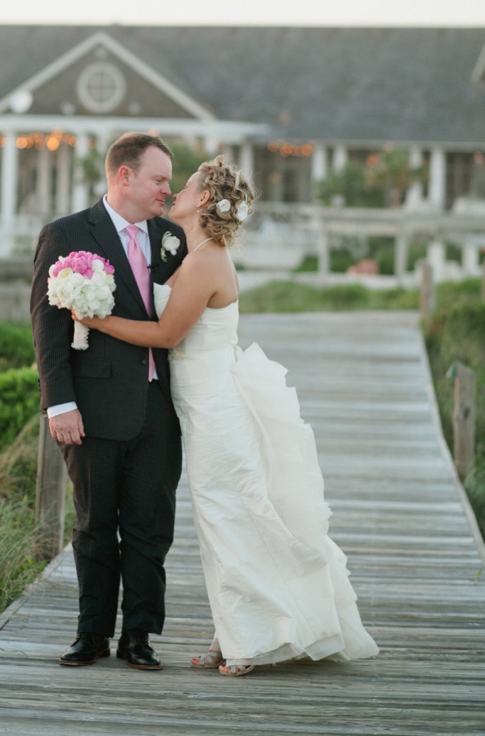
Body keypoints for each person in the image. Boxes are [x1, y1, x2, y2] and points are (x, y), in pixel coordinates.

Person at [76, 156, 379, 676]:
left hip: (215, 406)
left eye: (185, 186)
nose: (174, 192)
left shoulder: (207, 260)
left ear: (203, 201)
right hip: (197, 404)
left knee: (229, 518)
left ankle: (250, 642)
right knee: (222, 521)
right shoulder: (191, 253)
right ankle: (233, 632)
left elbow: (167, 336)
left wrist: (98, 322)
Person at [30, 132, 187, 670]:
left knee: (151, 526)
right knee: (95, 525)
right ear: (125, 176)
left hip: (161, 409)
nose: (167, 189)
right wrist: (59, 404)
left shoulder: (172, 237)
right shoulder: (68, 235)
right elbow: (47, 332)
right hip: (92, 410)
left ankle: (139, 635)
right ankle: (91, 634)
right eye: (159, 179)